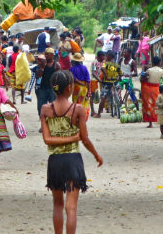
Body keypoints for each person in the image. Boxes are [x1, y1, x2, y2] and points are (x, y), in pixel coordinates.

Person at [41, 70, 103, 234]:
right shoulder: (78, 109)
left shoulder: (46, 109)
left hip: (55, 161)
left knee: (57, 204)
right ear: (70, 87)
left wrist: (67, 139)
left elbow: (47, 140)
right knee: (71, 207)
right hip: (73, 161)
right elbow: (85, 139)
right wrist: (96, 155)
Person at [35, 48, 61, 129]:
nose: (46, 55)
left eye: (48, 54)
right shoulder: (41, 64)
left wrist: (57, 89)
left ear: (52, 55)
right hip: (42, 88)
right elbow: (38, 76)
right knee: (41, 107)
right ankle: (44, 125)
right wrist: (42, 67)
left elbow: (58, 78)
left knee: (53, 107)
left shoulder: (56, 65)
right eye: (45, 54)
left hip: (52, 89)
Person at [94, 50, 122, 118]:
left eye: (107, 55)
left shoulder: (106, 64)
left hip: (107, 83)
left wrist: (106, 76)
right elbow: (121, 74)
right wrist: (117, 79)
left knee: (103, 98)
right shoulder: (117, 65)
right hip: (115, 82)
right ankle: (119, 103)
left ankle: (98, 114)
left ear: (109, 56)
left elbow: (102, 69)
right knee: (118, 92)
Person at [141, 56, 163, 128]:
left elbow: (144, 79)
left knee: (148, 105)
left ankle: (150, 123)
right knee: (157, 105)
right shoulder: (161, 71)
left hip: (148, 89)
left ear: (153, 62)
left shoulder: (149, 70)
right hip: (157, 89)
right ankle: (160, 121)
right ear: (159, 63)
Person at [69, 53, 91, 121]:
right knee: (84, 102)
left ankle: (77, 117)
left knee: (76, 102)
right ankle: (83, 117)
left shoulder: (72, 69)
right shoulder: (84, 68)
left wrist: (79, 83)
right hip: (85, 88)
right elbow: (88, 80)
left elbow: (73, 79)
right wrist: (89, 90)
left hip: (76, 87)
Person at [90, 51, 105, 116]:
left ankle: (101, 108)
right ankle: (92, 111)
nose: (104, 57)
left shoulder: (103, 63)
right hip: (94, 80)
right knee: (92, 95)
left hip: (101, 79)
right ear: (99, 56)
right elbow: (93, 72)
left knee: (103, 94)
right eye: (103, 56)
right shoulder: (94, 63)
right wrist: (98, 79)